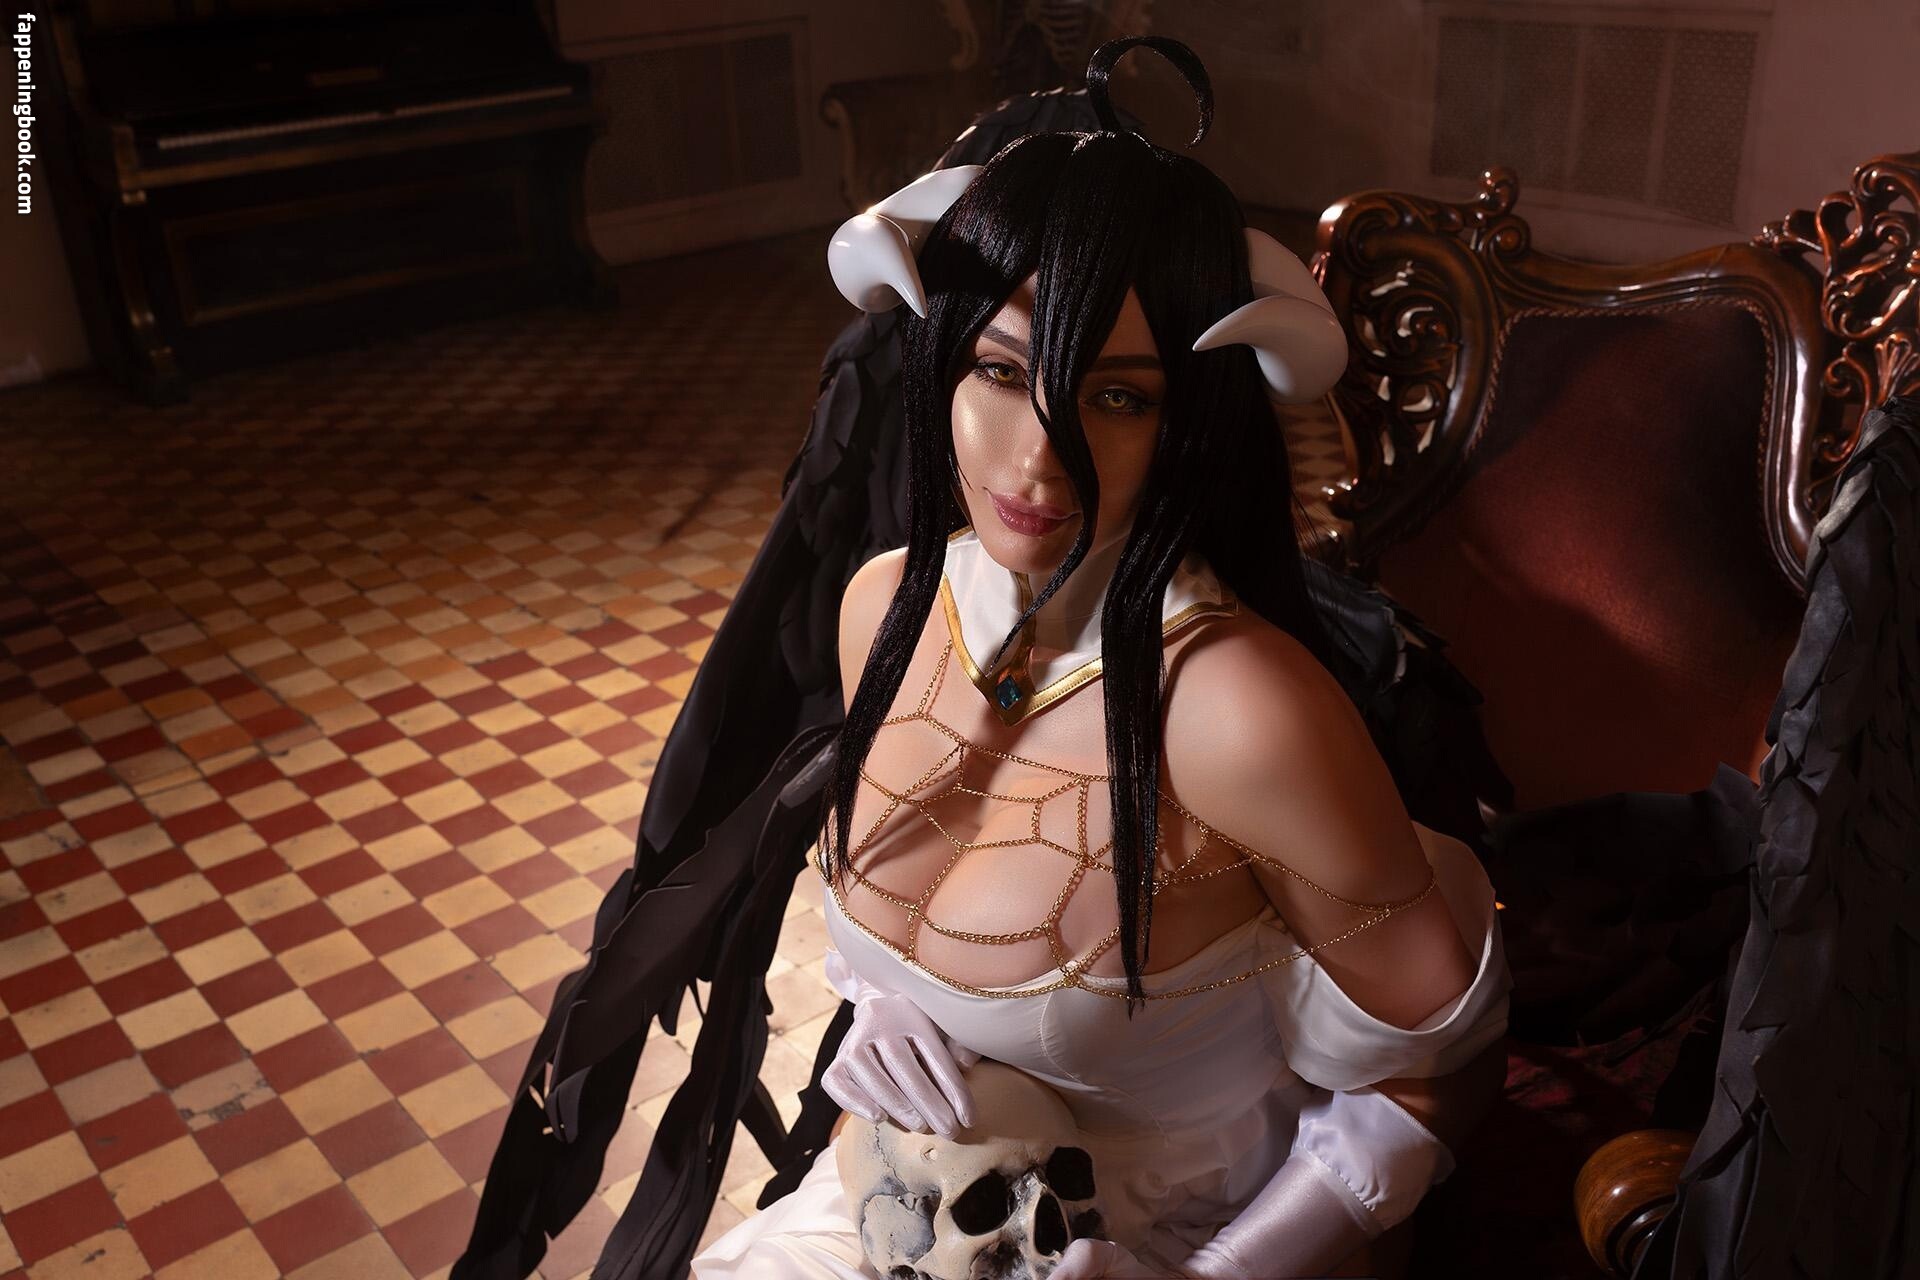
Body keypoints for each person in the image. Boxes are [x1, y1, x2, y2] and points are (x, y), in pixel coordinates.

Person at [689, 37, 1512, 1280]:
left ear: (1190, 419)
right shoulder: (883, 610)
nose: (1037, 459)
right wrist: (881, 1008)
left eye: (1118, 396)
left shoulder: (1234, 712)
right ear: (940, 361)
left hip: (1179, 1243)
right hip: (899, 1211)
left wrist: (1213, 1277)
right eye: (1000, 370)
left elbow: (1438, 1074)